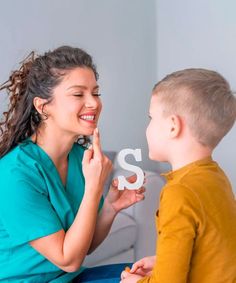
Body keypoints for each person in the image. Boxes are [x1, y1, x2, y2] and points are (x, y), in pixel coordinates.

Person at [0, 46, 145, 283]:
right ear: (42, 106)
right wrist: (93, 188)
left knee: (154, 274)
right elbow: (68, 259)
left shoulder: (79, 158)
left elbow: (83, 246)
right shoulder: (15, 174)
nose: (94, 103)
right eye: (78, 95)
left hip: (69, 278)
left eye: (96, 93)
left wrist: (110, 205)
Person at [120, 68, 236, 283]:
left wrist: (137, 282)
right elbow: (218, 250)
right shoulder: (217, 177)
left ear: (173, 126)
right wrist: (164, 261)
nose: (147, 127)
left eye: (151, 118)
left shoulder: (178, 192)